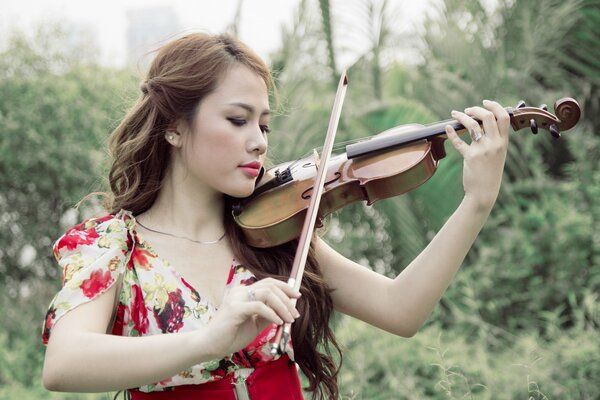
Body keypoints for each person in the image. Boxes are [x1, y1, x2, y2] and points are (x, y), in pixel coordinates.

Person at [41, 32, 510, 400]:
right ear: (174, 127)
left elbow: (401, 310)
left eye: (264, 124)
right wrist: (209, 339)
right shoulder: (113, 245)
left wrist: (476, 204)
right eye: (238, 120)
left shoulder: (273, 231)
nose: (260, 142)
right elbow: (64, 364)